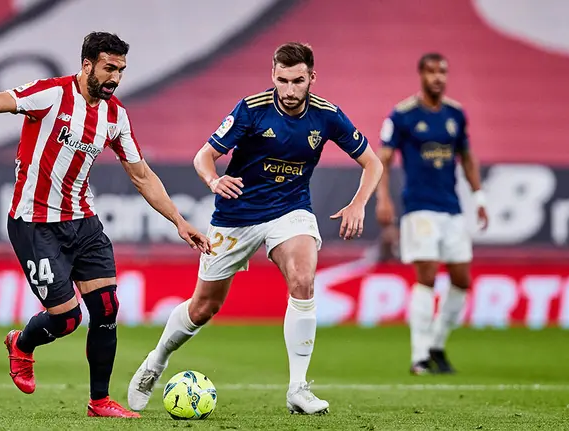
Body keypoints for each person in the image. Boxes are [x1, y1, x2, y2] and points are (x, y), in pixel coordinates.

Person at [0, 32, 210, 418]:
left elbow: (142, 175)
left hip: (82, 220)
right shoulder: (50, 94)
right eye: (109, 68)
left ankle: (99, 401)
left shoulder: (115, 114)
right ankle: (22, 344)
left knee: (106, 306)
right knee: (67, 318)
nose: (115, 77)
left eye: (121, 70)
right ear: (87, 65)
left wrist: (179, 221)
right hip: (34, 223)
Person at [127, 42, 383, 415]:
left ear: (312, 77)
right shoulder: (251, 110)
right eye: (283, 80)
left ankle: (298, 387)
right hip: (236, 216)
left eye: (298, 81)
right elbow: (204, 157)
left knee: (303, 279)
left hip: (291, 210)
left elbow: (372, 163)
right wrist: (214, 182)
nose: (291, 90)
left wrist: (358, 203)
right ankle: (156, 361)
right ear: (273, 77)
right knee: (203, 307)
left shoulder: (327, 116)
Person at [375, 53, 488, 375]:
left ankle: (436, 344)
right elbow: (382, 159)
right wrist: (383, 199)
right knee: (426, 276)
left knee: (462, 280)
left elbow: (467, 157)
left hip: (451, 207)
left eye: (443, 72)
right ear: (421, 75)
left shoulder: (455, 114)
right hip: (419, 208)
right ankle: (419, 356)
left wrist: (479, 197)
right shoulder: (403, 114)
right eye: (432, 71)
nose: (438, 77)